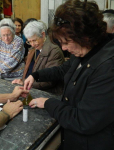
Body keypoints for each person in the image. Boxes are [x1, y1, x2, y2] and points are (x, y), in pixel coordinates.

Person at [24, 0, 114, 149]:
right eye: (61, 42)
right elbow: (62, 69)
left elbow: (84, 120)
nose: (64, 48)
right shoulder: (85, 50)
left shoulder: (108, 68)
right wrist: (36, 75)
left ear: (85, 36)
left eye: (66, 42)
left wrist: (48, 103)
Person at [12, 21, 64, 95]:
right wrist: (22, 81)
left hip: (48, 93)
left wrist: (25, 82)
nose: (32, 44)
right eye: (29, 41)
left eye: (34, 40)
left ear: (42, 35)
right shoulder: (33, 49)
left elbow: (50, 80)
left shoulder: (54, 51)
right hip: (31, 88)